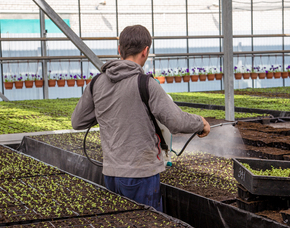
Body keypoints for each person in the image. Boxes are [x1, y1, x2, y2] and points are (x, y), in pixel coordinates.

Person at [71, 25, 210, 211]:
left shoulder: (97, 83)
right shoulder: (146, 84)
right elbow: (176, 122)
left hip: (111, 175)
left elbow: (77, 122)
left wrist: (109, 109)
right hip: (141, 175)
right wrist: (201, 123)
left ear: (119, 49)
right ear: (145, 51)